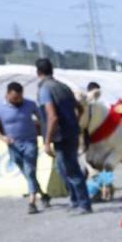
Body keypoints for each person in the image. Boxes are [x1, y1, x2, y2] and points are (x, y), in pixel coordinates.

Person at [36, 58, 92, 215]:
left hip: (61, 136)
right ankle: (75, 200)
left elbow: (52, 117)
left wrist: (47, 142)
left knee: (71, 169)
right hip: (71, 132)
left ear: (38, 72)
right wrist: (74, 123)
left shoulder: (45, 90)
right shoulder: (64, 87)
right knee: (63, 169)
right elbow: (80, 108)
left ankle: (84, 203)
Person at [0, 81, 49, 214]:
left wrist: (44, 133)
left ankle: (32, 203)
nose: (18, 101)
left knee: (30, 170)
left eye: (20, 97)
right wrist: (2, 137)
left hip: (30, 143)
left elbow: (43, 119)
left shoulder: (30, 104)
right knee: (27, 172)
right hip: (13, 145)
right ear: (7, 94)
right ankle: (43, 194)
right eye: (15, 98)